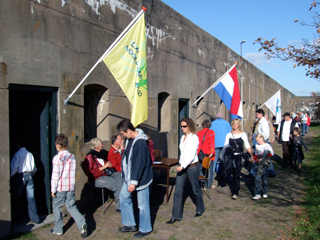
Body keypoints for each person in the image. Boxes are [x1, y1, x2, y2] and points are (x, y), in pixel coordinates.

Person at [117, 120, 153, 238]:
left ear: (129, 130)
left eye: (123, 133)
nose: (122, 136)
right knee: (123, 197)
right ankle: (129, 224)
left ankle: (145, 228)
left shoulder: (140, 142)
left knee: (142, 205)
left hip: (140, 178)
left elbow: (139, 163)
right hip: (129, 177)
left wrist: (133, 182)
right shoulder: (129, 140)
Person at [167, 118, 205, 224]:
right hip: (182, 166)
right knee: (178, 191)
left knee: (195, 189)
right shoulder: (183, 137)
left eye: (184, 126)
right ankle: (175, 216)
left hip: (192, 166)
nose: (182, 128)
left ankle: (200, 208)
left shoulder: (194, 138)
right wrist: (181, 164)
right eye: (181, 126)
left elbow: (192, 155)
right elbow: (182, 153)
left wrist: (182, 166)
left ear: (189, 126)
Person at [51, 134, 87, 238]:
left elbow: (55, 175)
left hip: (60, 187)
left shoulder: (57, 158)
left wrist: (53, 189)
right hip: (70, 186)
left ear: (57, 145)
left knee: (57, 207)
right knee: (71, 206)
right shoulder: (72, 157)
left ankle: (58, 229)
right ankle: (82, 223)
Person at [83, 138, 122, 212]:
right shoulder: (89, 157)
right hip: (96, 178)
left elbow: (106, 164)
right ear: (96, 146)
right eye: (101, 144)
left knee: (120, 176)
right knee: (116, 183)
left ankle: (123, 200)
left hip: (106, 174)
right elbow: (90, 173)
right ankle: (119, 206)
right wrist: (104, 167)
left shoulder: (100, 155)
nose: (102, 145)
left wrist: (109, 165)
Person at [10, 137, 40, 224]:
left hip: (20, 176)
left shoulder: (17, 155)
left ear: (17, 144)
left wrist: (10, 177)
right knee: (31, 198)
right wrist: (31, 175)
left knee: (16, 197)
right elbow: (34, 168)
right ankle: (35, 218)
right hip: (30, 175)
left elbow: (14, 168)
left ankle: (19, 216)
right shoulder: (30, 154)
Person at [224, 119, 253, 200]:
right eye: (233, 124)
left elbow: (247, 145)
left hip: (239, 156)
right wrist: (230, 149)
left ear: (239, 125)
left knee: (237, 174)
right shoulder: (229, 134)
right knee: (232, 173)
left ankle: (235, 192)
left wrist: (251, 155)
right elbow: (225, 145)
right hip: (231, 157)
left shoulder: (243, 134)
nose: (235, 125)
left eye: (236, 124)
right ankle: (235, 186)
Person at [210, 112, 231, 185]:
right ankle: (226, 177)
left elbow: (210, 134)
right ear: (222, 117)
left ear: (216, 117)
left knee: (213, 162)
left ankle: (211, 179)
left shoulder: (212, 123)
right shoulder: (226, 123)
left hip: (215, 145)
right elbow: (230, 133)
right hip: (225, 145)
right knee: (226, 161)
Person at [250, 134, 274, 200]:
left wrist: (266, 154)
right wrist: (254, 159)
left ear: (262, 138)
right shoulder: (257, 146)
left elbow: (272, 153)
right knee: (257, 178)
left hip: (265, 164)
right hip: (258, 164)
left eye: (258, 140)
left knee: (265, 178)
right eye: (256, 140)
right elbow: (256, 154)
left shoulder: (267, 146)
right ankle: (257, 193)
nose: (258, 142)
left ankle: (265, 192)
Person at [196, 119, 215, 189]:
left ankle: (201, 184)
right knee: (209, 170)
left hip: (200, 154)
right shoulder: (211, 132)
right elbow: (212, 143)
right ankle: (208, 185)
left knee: (201, 169)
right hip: (208, 154)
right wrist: (212, 153)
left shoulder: (199, 132)